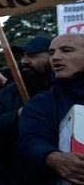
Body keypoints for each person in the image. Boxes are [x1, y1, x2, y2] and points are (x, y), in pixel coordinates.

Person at [0, 35, 53, 185]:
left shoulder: (65, 89)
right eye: (23, 56)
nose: (24, 61)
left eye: (33, 56)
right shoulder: (9, 92)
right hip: (20, 174)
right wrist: (18, 115)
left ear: (52, 56)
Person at [19, 33, 84, 185]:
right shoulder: (41, 103)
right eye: (51, 53)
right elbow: (31, 139)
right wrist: (52, 157)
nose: (55, 57)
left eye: (66, 50)